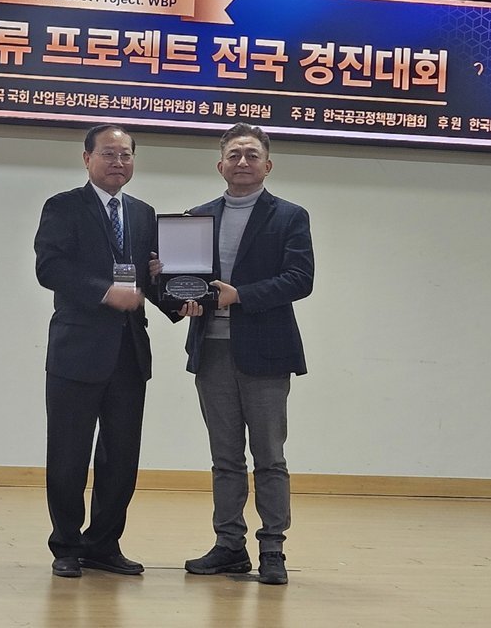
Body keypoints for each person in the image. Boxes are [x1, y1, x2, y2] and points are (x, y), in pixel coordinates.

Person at [153, 122, 314, 586]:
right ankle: (229, 546)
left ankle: (272, 548)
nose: (242, 162)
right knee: (225, 458)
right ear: (220, 165)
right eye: (234, 155)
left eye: (251, 154)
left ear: (268, 164)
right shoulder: (197, 217)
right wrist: (168, 286)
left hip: (266, 353)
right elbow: (184, 284)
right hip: (211, 351)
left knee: (269, 457)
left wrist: (239, 296)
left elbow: (300, 279)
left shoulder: (289, 216)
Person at [34, 123, 159, 578]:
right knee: (69, 454)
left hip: (129, 352)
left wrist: (184, 295)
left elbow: (149, 279)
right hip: (77, 351)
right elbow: (50, 268)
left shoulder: (144, 214)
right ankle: (66, 545)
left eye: (126, 155)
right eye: (108, 153)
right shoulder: (63, 206)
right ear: (87, 158)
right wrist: (105, 292)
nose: (118, 162)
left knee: (121, 457)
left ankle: (104, 543)